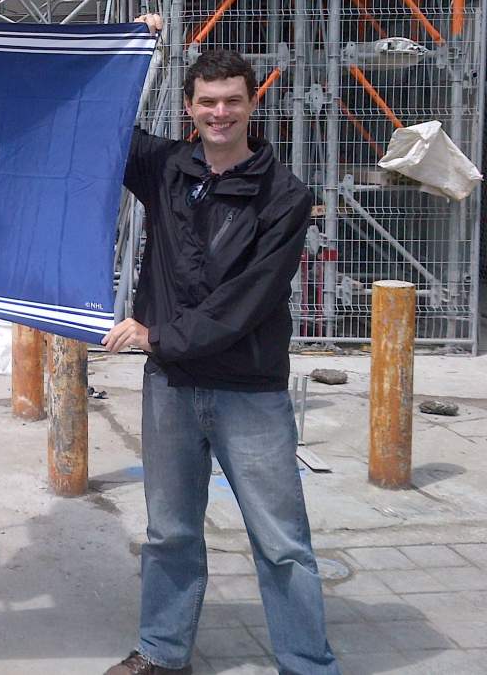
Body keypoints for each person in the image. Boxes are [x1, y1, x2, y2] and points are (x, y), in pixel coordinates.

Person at [102, 37, 339, 675]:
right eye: (207, 102)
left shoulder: (284, 196)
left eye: (232, 101)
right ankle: (161, 651)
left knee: (282, 543)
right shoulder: (166, 168)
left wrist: (156, 336)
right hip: (173, 388)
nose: (220, 114)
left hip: (248, 390)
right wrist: (135, 52)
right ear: (189, 108)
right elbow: (102, 125)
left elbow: (248, 300)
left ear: (251, 104)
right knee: (170, 533)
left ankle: (307, 664)